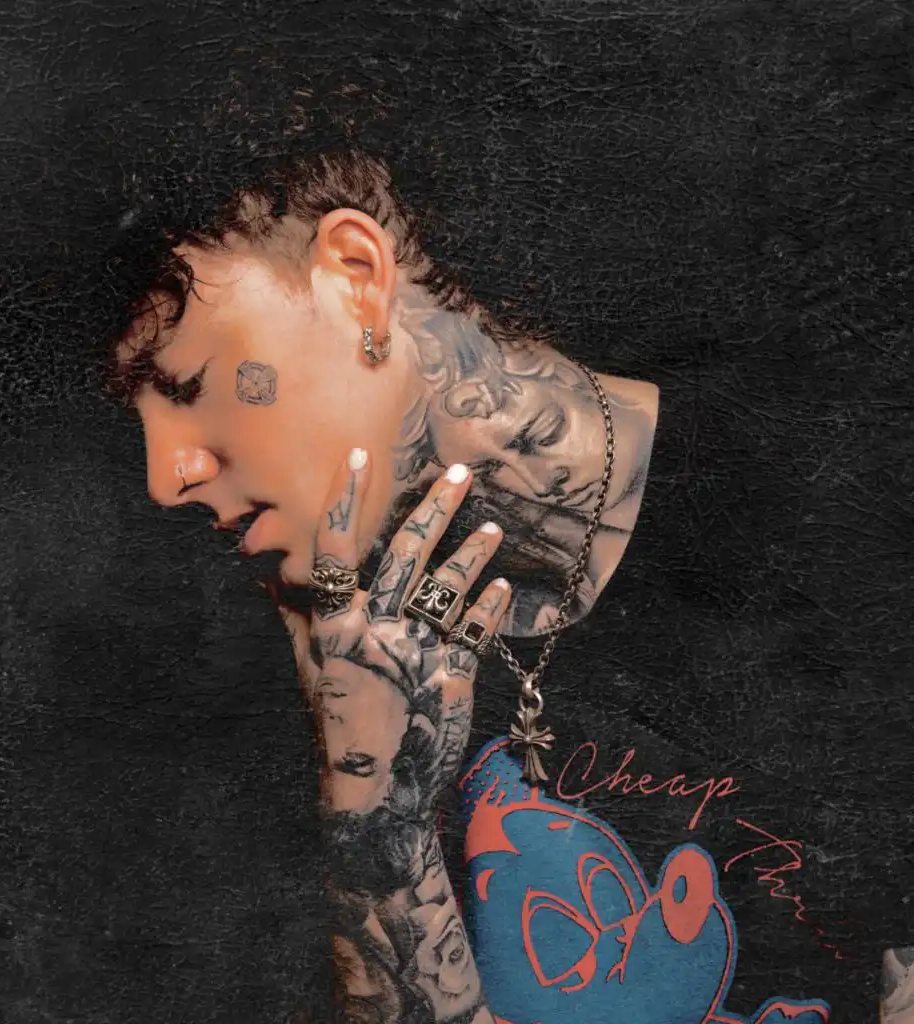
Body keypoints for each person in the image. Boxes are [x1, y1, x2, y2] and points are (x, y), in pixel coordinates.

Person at [105, 147, 834, 1021]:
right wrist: (374, 810)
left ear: (355, 278)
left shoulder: (831, 508)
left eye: (190, 386)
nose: (165, 479)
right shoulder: (262, 671)